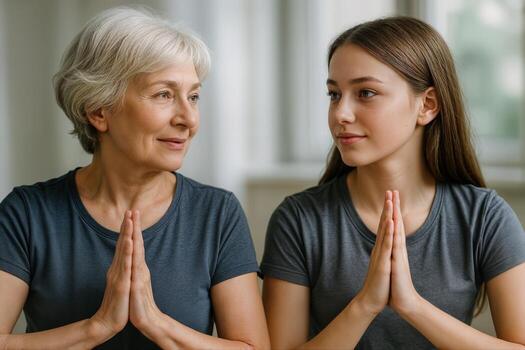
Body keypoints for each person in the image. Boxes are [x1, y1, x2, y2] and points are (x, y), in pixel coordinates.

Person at [0, 7, 269, 349]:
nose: (189, 118)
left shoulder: (217, 213)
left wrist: (155, 324)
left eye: (194, 96)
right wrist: (96, 328)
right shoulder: (27, 214)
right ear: (98, 110)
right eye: (164, 95)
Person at [260, 16, 525, 349]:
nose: (341, 113)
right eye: (334, 94)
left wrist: (412, 306)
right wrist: (365, 305)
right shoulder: (299, 220)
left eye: (366, 93)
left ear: (427, 105)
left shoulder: (484, 216)